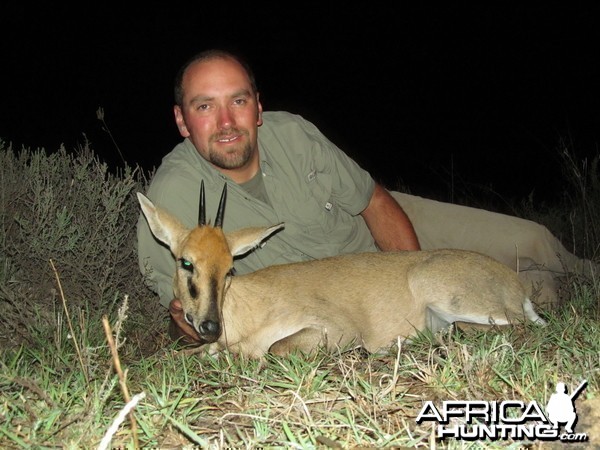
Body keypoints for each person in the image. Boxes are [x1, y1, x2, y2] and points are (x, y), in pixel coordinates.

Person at [137, 49, 593, 346]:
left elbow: (372, 200)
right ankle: (536, 293)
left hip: (390, 230)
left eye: (237, 101)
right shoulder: (172, 194)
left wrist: (412, 275)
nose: (226, 120)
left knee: (531, 240)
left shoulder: (293, 134)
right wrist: (192, 325)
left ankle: (580, 272)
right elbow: (182, 308)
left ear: (258, 107)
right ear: (181, 120)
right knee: (515, 292)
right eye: (204, 106)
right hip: (343, 290)